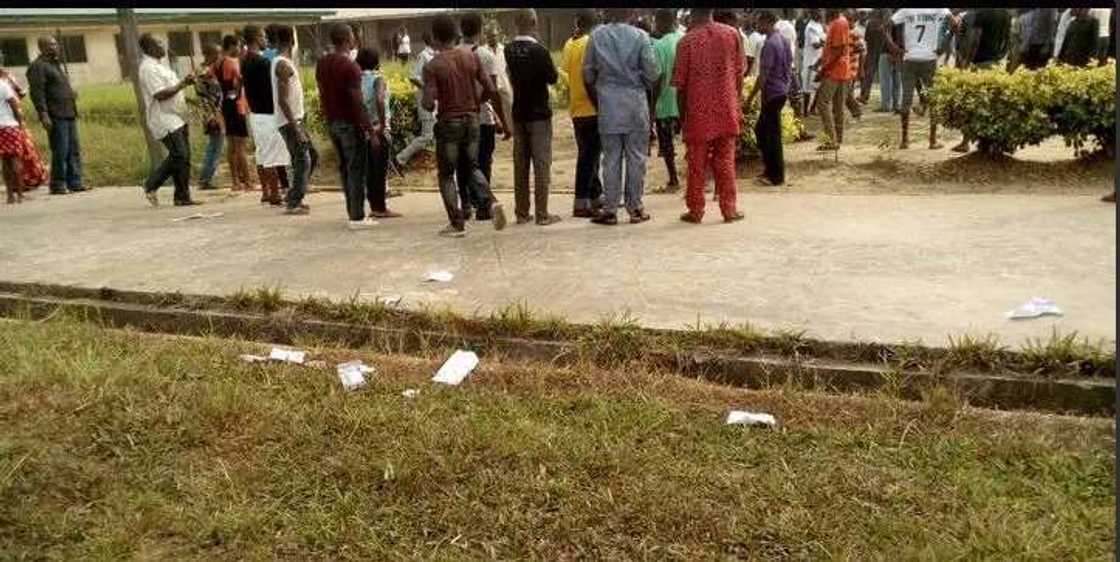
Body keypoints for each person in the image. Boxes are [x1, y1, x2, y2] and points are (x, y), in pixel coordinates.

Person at [423, 14, 507, 237]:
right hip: (472, 120)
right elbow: (490, 88)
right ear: (455, 34)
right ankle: (491, 202)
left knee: (447, 174)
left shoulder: (433, 65)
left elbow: (428, 102)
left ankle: (457, 223)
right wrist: (475, 104)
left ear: (435, 38)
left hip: (449, 123)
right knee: (471, 166)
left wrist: (431, 95)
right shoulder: (471, 57)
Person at [583, 8, 659, 226]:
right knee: (636, 158)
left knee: (611, 158)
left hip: (608, 104)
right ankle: (635, 208)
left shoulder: (597, 35)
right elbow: (652, 73)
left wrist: (598, 101)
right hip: (635, 104)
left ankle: (610, 209)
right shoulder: (641, 37)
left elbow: (587, 74)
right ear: (632, 13)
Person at [671, 8, 744, 223]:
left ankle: (695, 210)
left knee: (696, 164)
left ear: (692, 13)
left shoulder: (686, 42)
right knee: (726, 162)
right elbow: (739, 75)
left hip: (698, 113)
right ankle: (729, 210)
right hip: (726, 109)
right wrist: (735, 104)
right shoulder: (732, 35)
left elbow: (681, 87)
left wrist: (682, 117)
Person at [317, 24, 380, 230]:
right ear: (346, 39)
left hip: (332, 122)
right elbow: (357, 101)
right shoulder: (350, 67)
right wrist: (370, 131)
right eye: (353, 36)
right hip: (349, 124)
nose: (355, 39)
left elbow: (322, 94)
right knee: (356, 169)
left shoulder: (322, 64)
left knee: (345, 168)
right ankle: (357, 216)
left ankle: (352, 212)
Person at [504, 9, 561, 226]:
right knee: (541, 164)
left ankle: (521, 212)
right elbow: (553, 78)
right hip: (539, 114)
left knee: (520, 164)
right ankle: (542, 214)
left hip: (519, 112)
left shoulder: (508, 50)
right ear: (534, 23)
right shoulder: (540, 51)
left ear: (516, 23)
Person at [458, 13, 509, 221]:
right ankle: (484, 207)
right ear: (479, 31)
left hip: (459, 116)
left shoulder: (453, 54)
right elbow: (492, 90)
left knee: (464, 163)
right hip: (481, 117)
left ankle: (466, 204)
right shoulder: (486, 56)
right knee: (483, 161)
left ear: (461, 30)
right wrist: (504, 121)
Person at [137, 33, 198, 207]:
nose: (163, 46)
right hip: (164, 118)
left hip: (177, 115)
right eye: (159, 43)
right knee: (180, 154)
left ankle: (182, 196)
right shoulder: (148, 68)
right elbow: (160, 94)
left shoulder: (161, 66)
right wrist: (183, 83)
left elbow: (173, 90)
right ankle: (151, 184)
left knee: (184, 158)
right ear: (149, 48)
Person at [26, 36, 84, 195]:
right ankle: (58, 184)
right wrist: (43, 114)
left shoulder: (56, 65)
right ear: (42, 47)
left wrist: (71, 94)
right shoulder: (38, 67)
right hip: (55, 115)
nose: (56, 47)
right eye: (52, 44)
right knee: (61, 150)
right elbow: (37, 92)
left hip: (69, 112)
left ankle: (75, 182)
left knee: (74, 150)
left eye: (56, 44)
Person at [560, 9, 604, 218]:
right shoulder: (592, 42)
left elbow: (566, 74)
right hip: (593, 107)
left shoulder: (570, 44)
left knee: (589, 155)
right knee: (588, 158)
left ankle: (596, 197)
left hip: (576, 108)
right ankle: (580, 203)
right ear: (594, 23)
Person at [241, 25, 290, 206]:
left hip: (256, 114)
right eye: (262, 36)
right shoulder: (262, 63)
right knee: (271, 155)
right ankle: (275, 195)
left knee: (262, 154)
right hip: (268, 114)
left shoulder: (245, 60)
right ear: (255, 37)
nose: (266, 40)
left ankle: (265, 191)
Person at [951, 8, 1011, 153]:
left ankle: (965, 142)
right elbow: (1007, 39)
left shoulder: (982, 13)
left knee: (971, 102)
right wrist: (1000, 55)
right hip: (995, 63)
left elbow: (975, 39)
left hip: (979, 62)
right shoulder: (1005, 14)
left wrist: (968, 61)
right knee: (991, 103)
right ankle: (990, 143)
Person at [272, 24, 317, 216]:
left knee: (310, 156)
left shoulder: (283, 62)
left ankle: (295, 194)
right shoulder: (282, 64)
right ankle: (293, 201)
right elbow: (283, 100)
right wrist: (295, 127)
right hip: (290, 121)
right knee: (303, 159)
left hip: (295, 120)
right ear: (292, 41)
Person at [746, 10, 792, 188]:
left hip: (772, 93)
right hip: (780, 90)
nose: (758, 26)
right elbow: (789, 65)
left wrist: (751, 97)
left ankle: (776, 175)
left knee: (770, 135)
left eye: (759, 22)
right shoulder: (783, 40)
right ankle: (771, 170)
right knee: (764, 132)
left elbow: (763, 76)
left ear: (767, 22)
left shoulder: (770, 44)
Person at [356, 47, 402, 220]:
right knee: (380, 171)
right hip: (377, 128)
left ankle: (374, 206)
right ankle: (380, 207)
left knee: (370, 171)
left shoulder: (357, 80)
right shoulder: (378, 79)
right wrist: (382, 125)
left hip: (363, 129)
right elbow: (380, 99)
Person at [216, 34, 254, 192]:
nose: (239, 49)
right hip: (236, 105)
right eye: (238, 46)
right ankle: (248, 182)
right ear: (231, 46)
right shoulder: (232, 63)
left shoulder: (217, 63)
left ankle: (235, 181)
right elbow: (236, 85)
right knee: (240, 147)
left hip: (225, 105)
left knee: (231, 145)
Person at [651, 9, 683, 192]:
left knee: (667, 145)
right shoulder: (684, 39)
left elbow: (656, 79)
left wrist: (652, 106)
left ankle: (674, 179)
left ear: (661, 22)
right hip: (685, 102)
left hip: (665, 103)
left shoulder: (659, 46)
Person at [395, 31, 436, 170]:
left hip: (435, 100)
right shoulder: (423, 56)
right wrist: (427, 89)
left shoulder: (436, 54)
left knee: (437, 132)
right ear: (428, 39)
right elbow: (413, 77)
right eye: (433, 36)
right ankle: (400, 158)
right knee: (427, 136)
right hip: (425, 100)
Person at [814, 9, 850, 151]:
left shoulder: (838, 23)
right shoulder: (839, 22)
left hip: (835, 71)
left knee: (822, 103)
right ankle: (837, 138)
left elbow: (837, 51)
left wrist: (823, 70)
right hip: (841, 70)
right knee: (838, 106)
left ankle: (831, 140)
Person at [193, 43, 225, 190]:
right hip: (212, 114)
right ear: (210, 54)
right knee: (215, 147)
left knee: (214, 146)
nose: (220, 57)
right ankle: (205, 179)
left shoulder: (206, 70)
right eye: (218, 54)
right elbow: (212, 94)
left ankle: (206, 178)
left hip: (212, 113)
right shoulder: (204, 72)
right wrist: (214, 115)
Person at [800, 10, 825, 117]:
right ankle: (806, 111)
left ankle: (813, 108)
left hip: (819, 60)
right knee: (807, 88)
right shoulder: (811, 27)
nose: (819, 13)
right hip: (811, 62)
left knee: (819, 87)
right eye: (817, 11)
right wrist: (826, 42)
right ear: (812, 13)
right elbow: (815, 44)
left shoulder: (819, 25)